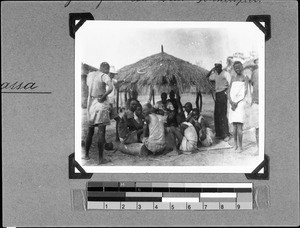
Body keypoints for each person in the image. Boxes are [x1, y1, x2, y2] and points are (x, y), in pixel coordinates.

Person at [84, 62, 113, 164]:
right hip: (100, 103)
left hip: (91, 104)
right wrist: (104, 96)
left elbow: (89, 87)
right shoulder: (104, 76)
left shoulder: (90, 75)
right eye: (108, 70)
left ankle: (86, 155)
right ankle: (101, 159)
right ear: (106, 69)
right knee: (101, 131)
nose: (108, 72)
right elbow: (110, 88)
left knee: (90, 131)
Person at [206, 60, 231, 141]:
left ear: (221, 66)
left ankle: (226, 134)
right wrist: (211, 70)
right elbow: (207, 77)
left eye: (218, 66)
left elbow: (230, 83)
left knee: (223, 114)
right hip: (217, 94)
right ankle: (219, 133)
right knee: (217, 114)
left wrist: (227, 92)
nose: (217, 68)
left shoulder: (226, 73)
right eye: (215, 66)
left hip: (223, 94)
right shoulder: (215, 74)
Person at [228, 61, 249, 152]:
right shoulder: (232, 78)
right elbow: (228, 91)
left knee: (239, 126)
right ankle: (235, 145)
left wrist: (236, 103)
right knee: (234, 126)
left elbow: (245, 92)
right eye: (235, 68)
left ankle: (240, 146)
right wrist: (231, 101)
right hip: (232, 103)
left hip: (240, 104)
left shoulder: (245, 78)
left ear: (242, 67)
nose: (237, 69)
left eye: (239, 67)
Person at [107, 66, 124, 141]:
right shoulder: (105, 81)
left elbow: (118, 82)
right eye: (111, 74)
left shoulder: (112, 80)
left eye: (113, 74)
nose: (112, 75)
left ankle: (117, 137)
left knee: (119, 120)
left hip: (112, 103)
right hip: (106, 104)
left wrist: (124, 80)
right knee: (104, 123)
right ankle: (103, 141)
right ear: (109, 73)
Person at [248, 58, 259, 148]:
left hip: (258, 101)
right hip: (255, 101)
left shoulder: (256, 72)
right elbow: (252, 85)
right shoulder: (255, 72)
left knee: (258, 127)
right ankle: (259, 148)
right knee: (257, 126)